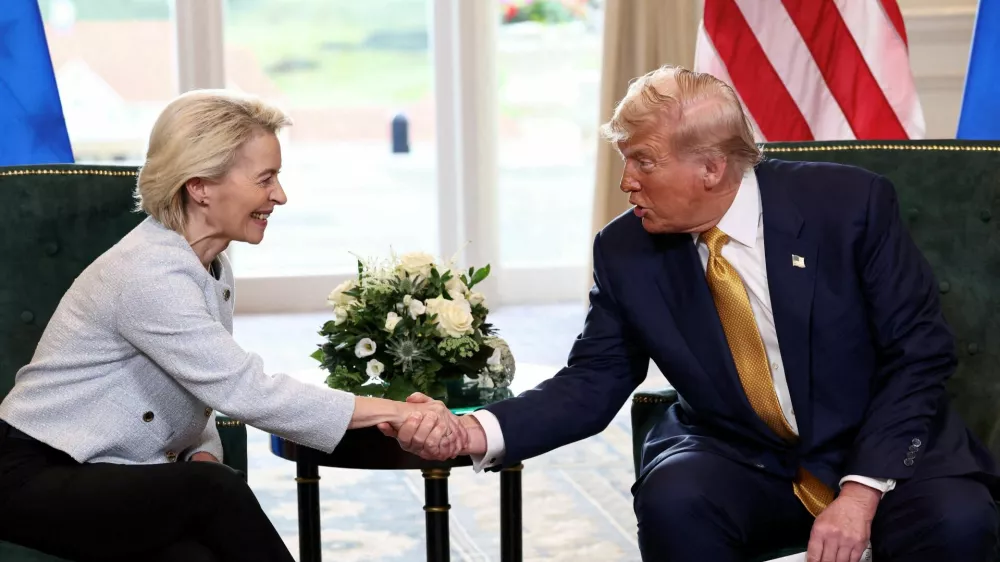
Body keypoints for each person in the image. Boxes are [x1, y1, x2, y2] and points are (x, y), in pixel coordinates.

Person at [381, 66, 1000, 562]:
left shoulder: (849, 205)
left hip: (880, 448)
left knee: (958, 523)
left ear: (711, 167)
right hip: (740, 452)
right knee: (677, 497)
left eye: (643, 161)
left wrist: (862, 493)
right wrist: (473, 431)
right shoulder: (624, 249)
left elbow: (918, 354)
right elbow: (592, 381)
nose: (626, 182)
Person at [0, 90, 467, 562]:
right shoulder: (150, 272)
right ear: (200, 186)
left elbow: (197, 382)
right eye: (266, 179)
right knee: (213, 492)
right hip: (31, 473)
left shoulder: (209, 264)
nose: (279, 196)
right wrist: (398, 412)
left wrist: (201, 450)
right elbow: (246, 390)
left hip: (109, 470)